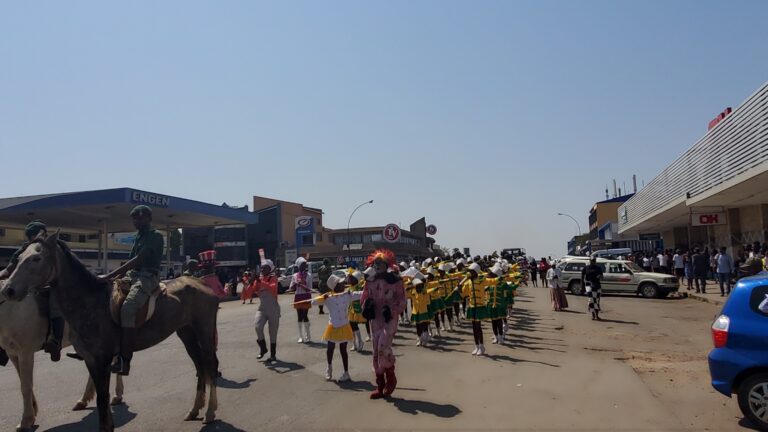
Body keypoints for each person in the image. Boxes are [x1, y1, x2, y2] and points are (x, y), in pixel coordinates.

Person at [101, 205, 165, 376]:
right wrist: (113, 279)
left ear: (149, 219)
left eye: (140, 218)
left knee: (128, 309)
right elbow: (130, 262)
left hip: (147, 277)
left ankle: (125, 360)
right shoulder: (139, 236)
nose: (137, 221)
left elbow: (139, 259)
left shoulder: (155, 236)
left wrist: (109, 274)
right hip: (132, 275)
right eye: (135, 219)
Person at [0, 220, 64, 363]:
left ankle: (55, 341)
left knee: (55, 306)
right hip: (31, 287)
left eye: (43, 234)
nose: (42, 237)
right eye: (37, 235)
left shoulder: (55, 249)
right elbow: (10, 268)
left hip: (53, 285)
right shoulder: (24, 250)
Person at [360, 249, 406, 400]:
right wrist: (367, 306)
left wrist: (391, 309)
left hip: (389, 319)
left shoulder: (395, 280)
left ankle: (391, 376)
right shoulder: (370, 281)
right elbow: (364, 298)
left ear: (387, 264)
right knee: (375, 350)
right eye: (375, 263)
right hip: (376, 319)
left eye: (381, 263)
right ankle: (380, 385)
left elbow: (402, 301)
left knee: (382, 347)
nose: (377, 265)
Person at [314, 274, 362, 382]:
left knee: (343, 350)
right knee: (330, 348)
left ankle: (346, 373)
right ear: (335, 287)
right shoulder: (329, 298)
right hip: (333, 326)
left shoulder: (347, 295)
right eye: (341, 284)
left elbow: (360, 294)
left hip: (344, 326)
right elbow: (313, 302)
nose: (344, 284)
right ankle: (329, 367)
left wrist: (369, 291)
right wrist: (323, 297)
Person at [254, 260, 280, 363]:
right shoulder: (259, 279)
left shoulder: (273, 278)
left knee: (272, 333)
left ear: (270, 269)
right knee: (257, 326)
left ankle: (273, 355)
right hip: (262, 308)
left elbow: (272, 288)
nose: (262, 269)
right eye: (262, 267)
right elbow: (252, 291)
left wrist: (260, 281)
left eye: (265, 267)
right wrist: (252, 282)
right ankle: (263, 348)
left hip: (273, 308)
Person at [462, 262, 489, 355]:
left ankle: (482, 346)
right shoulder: (467, 282)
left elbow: (490, 280)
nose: (469, 273)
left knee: (478, 327)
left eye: (471, 272)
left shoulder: (481, 279)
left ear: (476, 272)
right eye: (469, 271)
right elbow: (464, 294)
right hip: (472, 307)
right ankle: (476, 346)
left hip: (480, 307)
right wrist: (460, 287)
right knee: (473, 327)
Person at [288, 257, 313, 343]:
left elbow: (309, 289)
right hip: (298, 296)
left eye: (305, 264)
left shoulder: (309, 275)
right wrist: (295, 285)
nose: (305, 266)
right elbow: (291, 288)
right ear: (299, 266)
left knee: (305, 316)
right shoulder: (294, 276)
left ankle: (308, 335)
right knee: (299, 317)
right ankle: (301, 336)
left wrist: (302, 285)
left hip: (306, 296)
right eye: (303, 264)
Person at [346, 270, 367, 351]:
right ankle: (354, 344)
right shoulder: (350, 287)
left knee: (354, 326)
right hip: (351, 309)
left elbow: (359, 295)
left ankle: (360, 341)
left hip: (357, 309)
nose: (349, 280)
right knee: (351, 326)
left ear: (356, 279)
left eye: (351, 279)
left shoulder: (359, 287)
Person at [407, 277, 431, 347]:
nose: (418, 289)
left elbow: (430, 290)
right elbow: (406, 295)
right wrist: (408, 289)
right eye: (417, 287)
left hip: (423, 312)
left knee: (424, 326)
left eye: (420, 287)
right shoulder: (413, 293)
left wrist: (436, 288)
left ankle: (425, 339)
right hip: (416, 312)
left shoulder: (424, 292)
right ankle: (420, 340)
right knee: (418, 327)